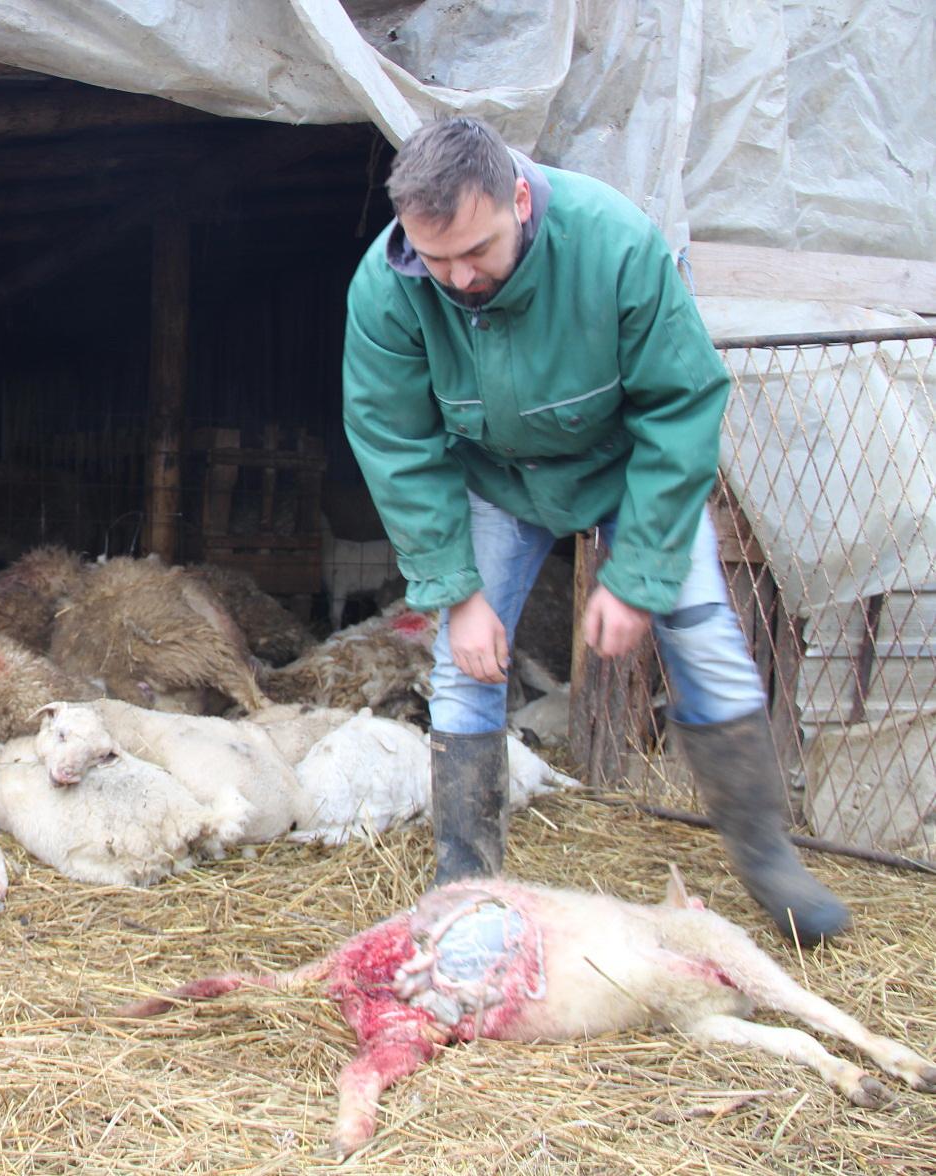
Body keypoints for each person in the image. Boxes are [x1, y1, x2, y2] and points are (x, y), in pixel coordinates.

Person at [339, 115, 849, 945]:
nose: (461, 277)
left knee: (702, 632)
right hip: (496, 479)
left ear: (517, 196)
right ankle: (464, 882)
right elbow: (394, 442)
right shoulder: (388, 284)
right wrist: (457, 592)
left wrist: (638, 572)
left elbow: (680, 405)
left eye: (478, 250)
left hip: (623, 466)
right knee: (465, 662)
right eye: (438, 260)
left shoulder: (613, 243)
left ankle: (767, 858)